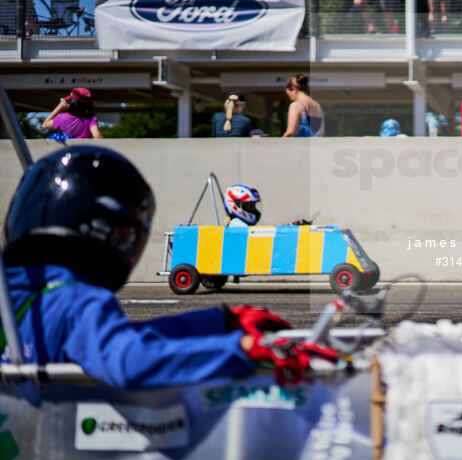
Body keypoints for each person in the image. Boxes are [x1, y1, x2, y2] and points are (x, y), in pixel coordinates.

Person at [1, 146, 336, 388]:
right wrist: (240, 348)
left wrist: (219, 321)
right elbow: (130, 359)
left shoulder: (19, 290)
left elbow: (118, 340)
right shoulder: (74, 301)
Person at [282, 73, 324, 137]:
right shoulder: (318, 106)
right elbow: (321, 133)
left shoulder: (295, 106)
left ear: (294, 89)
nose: (290, 99)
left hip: (300, 146)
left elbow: (291, 133)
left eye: (289, 95)